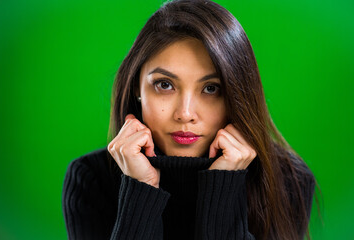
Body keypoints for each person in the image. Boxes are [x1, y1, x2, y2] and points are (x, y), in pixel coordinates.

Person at [62, 0, 316, 239]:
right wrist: (140, 188)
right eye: (164, 84)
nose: (185, 114)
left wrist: (223, 189)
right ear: (136, 89)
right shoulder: (90, 179)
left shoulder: (287, 180)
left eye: (211, 89)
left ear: (238, 94)